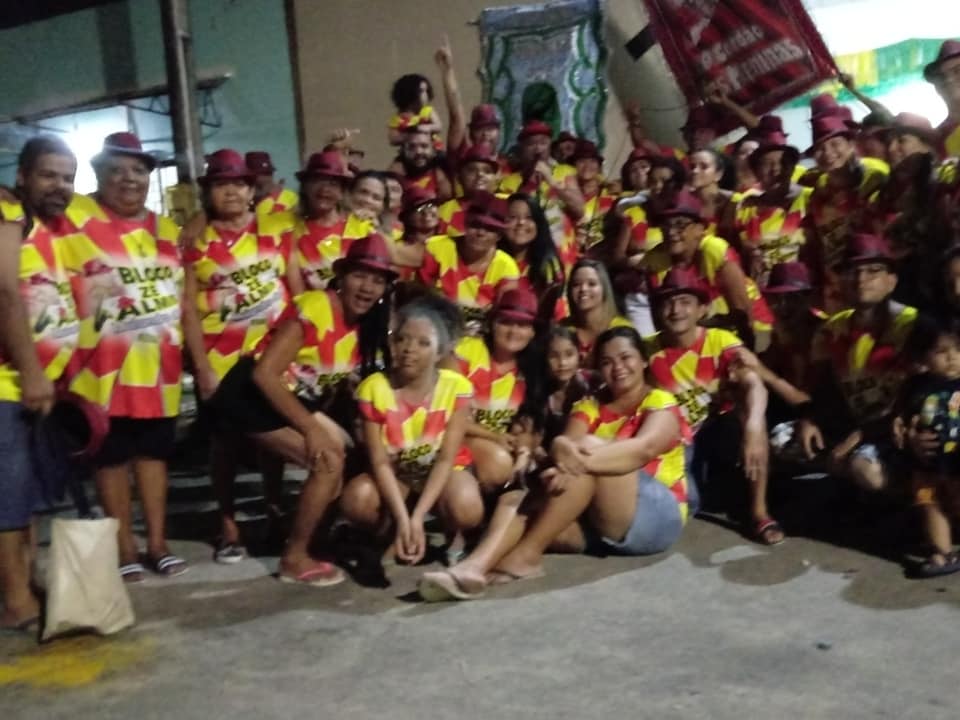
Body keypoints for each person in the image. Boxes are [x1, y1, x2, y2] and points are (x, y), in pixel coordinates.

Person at [211, 234, 395, 585]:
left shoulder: (364, 323)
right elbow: (265, 375)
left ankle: (313, 538)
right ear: (341, 276)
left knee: (344, 448)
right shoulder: (315, 306)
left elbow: (323, 383)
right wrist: (311, 429)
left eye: (377, 280)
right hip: (250, 396)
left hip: (287, 398)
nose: (368, 287)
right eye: (360, 275)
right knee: (328, 460)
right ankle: (294, 558)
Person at [60, 132, 185, 581]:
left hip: (158, 367)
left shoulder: (166, 229)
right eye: (117, 170)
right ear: (97, 174)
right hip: (99, 368)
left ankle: (158, 543)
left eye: (138, 171)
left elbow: (181, 293)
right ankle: (124, 548)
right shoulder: (76, 217)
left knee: (153, 456)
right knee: (110, 459)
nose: (129, 179)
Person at [487, 326, 692, 584]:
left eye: (626, 357)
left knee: (588, 445)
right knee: (519, 504)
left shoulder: (660, 401)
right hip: (604, 519)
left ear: (643, 360)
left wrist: (571, 457)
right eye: (607, 362)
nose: (617, 367)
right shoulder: (590, 404)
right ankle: (474, 567)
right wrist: (560, 446)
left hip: (656, 516)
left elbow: (643, 449)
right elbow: (567, 446)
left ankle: (527, 556)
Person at [181, 148, 294, 563]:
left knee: (274, 441)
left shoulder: (277, 228)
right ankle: (228, 524)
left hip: (272, 354)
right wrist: (201, 367)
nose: (231, 191)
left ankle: (273, 510)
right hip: (222, 359)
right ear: (208, 192)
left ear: (252, 190)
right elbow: (188, 308)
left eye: (239, 184)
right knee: (225, 444)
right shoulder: (194, 242)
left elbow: (296, 288)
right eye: (220, 184)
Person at [0, 136, 80, 632]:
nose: (60, 186)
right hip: (7, 383)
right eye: (49, 175)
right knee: (8, 496)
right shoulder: (7, 211)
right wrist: (31, 370)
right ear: (22, 176)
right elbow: (5, 293)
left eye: (68, 178)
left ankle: (23, 581)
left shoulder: (42, 224)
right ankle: (15, 600)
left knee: (25, 493)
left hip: (32, 384)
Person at [339, 295, 482, 567]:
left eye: (423, 343)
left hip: (439, 473)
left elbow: (445, 459)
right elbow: (380, 462)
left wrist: (417, 518)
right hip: (397, 474)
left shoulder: (457, 388)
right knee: (358, 499)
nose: (408, 349)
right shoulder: (374, 388)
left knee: (466, 506)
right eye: (402, 339)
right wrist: (406, 520)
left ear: (439, 352)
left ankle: (453, 533)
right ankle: (391, 530)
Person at [644, 267, 781, 544]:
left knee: (751, 415)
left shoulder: (720, 341)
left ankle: (759, 512)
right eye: (668, 302)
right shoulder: (647, 349)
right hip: (679, 440)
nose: (676, 310)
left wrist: (754, 427)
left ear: (702, 309)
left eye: (685, 302)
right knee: (692, 502)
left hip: (720, 430)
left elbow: (754, 383)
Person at [794, 235, 918, 495]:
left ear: (892, 281)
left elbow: (922, 391)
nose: (861, 279)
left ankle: (910, 501)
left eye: (874, 270)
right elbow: (823, 385)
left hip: (901, 425)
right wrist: (810, 419)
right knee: (784, 439)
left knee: (865, 468)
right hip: (853, 420)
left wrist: (857, 438)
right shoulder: (832, 329)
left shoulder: (912, 325)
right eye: (852, 271)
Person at [642, 191, 772, 350]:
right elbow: (661, 318)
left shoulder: (713, 249)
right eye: (665, 225)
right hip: (701, 332)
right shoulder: (655, 260)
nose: (671, 232)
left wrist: (747, 352)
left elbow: (743, 312)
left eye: (680, 224)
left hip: (750, 326)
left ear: (699, 229)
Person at [449, 288, 541, 493]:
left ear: (533, 332)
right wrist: (493, 437)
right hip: (454, 437)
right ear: (492, 323)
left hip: (501, 446)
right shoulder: (467, 350)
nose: (513, 331)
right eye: (506, 322)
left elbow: (528, 425)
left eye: (522, 325)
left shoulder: (532, 369)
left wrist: (523, 450)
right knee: (498, 463)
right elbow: (446, 414)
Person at [892, 317, 960, 577]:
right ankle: (942, 551)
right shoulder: (916, 386)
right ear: (924, 357)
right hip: (925, 464)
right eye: (941, 351)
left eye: (958, 349)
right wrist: (903, 428)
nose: (952, 358)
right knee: (927, 501)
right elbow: (902, 415)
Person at [805, 116, 889, 313]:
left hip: (876, 279)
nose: (828, 153)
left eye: (835, 144)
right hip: (838, 286)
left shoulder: (875, 177)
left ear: (851, 144)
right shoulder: (818, 193)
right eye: (820, 148)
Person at [418, 190, 519, 329]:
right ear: (465, 224)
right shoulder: (436, 248)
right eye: (475, 225)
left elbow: (502, 317)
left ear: (499, 235)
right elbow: (420, 296)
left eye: (489, 229)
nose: (481, 233)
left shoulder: (506, 268)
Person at [498, 120, 585, 272]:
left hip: (562, 255)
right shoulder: (509, 182)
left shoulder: (565, 173)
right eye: (531, 144)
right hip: (525, 260)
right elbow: (505, 223)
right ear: (522, 148)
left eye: (543, 143)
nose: (538, 148)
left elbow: (579, 209)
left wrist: (550, 180)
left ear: (550, 146)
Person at [732, 130, 812, 287]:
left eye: (783, 162)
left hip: (805, 288)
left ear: (792, 167)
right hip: (763, 290)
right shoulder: (746, 207)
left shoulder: (811, 199)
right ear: (756, 172)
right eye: (766, 164)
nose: (775, 169)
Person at [287, 151, 374, 292]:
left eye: (333, 184)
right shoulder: (289, 232)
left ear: (342, 192)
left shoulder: (363, 228)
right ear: (305, 188)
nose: (324, 189)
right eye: (317, 181)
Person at [499, 193, 564, 317]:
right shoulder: (491, 260)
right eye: (513, 217)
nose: (521, 222)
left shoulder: (548, 266)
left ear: (539, 224)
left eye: (529, 217)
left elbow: (555, 312)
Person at [561, 258, 633, 369]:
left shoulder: (621, 328)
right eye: (576, 284)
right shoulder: (562, 328)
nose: (583, 289)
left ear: (604, 289)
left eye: (592, 284)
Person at [437, 143, 501, 238]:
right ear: (459, 178)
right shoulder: (443, 212)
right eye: (472, 170)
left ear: (496, 179)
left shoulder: (506, 208)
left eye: (487, 171)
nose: (480, 174)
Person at [388, 126, 453, 202]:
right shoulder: (394, 177)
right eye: (412, 147)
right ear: (402, 150)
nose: (418, 152)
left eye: (424, 146)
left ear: (433, 148)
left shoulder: (444, 171)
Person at [573, 140, 615, 251]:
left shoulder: (611, 196)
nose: (587, 166)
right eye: (581, 161)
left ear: (599, 167)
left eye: (592, 161)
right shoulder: (566, 194)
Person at [386, 73, 444, 149]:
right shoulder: (399, 119)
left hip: (433, 149)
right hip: (411, 151)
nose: (425, 95)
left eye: (426, 91)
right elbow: (393, 139)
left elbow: (438, 126)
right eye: (421, 91)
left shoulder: (428, 111)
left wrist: (424, 128)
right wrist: (409, 135)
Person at [924, 39, 960, 158]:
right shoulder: (937, 138)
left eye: (957, 71)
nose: (949, 80)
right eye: (942, 77)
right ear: (937, 89)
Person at [247, 151, 299, 216]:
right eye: (260, 174)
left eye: (268, 173)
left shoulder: (290, 198)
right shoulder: (242, 206)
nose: (266, 178)